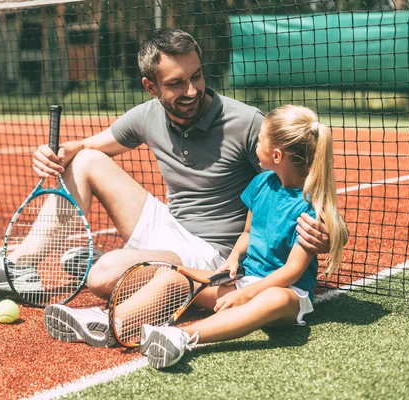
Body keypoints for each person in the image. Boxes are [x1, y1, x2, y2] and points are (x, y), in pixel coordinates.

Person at [0, 28, 330, 340]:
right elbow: (86, 147)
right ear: (151, 87)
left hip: (212, 255)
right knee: (89, 160)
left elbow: (298, 179)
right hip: (170, 229)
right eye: (176, 83)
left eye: (196, 76)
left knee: (102, 278)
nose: (191, 90)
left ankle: (122, 282)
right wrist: (54, 152)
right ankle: (19, 265)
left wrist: (322, 234)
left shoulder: (246, 123)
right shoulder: (146, 116)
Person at [138, 104, 349, 369]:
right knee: (175, 276)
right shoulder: (260, 183)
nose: (255, 144)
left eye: (259, 140)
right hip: (245, 280)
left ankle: (181, 337)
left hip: (286, 293)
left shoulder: (309, 207)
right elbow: (248, 232)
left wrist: (246, 296)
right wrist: (234, 259)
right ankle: (113, 323)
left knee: (273, 299)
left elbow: (293, 272)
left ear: (275, 154)